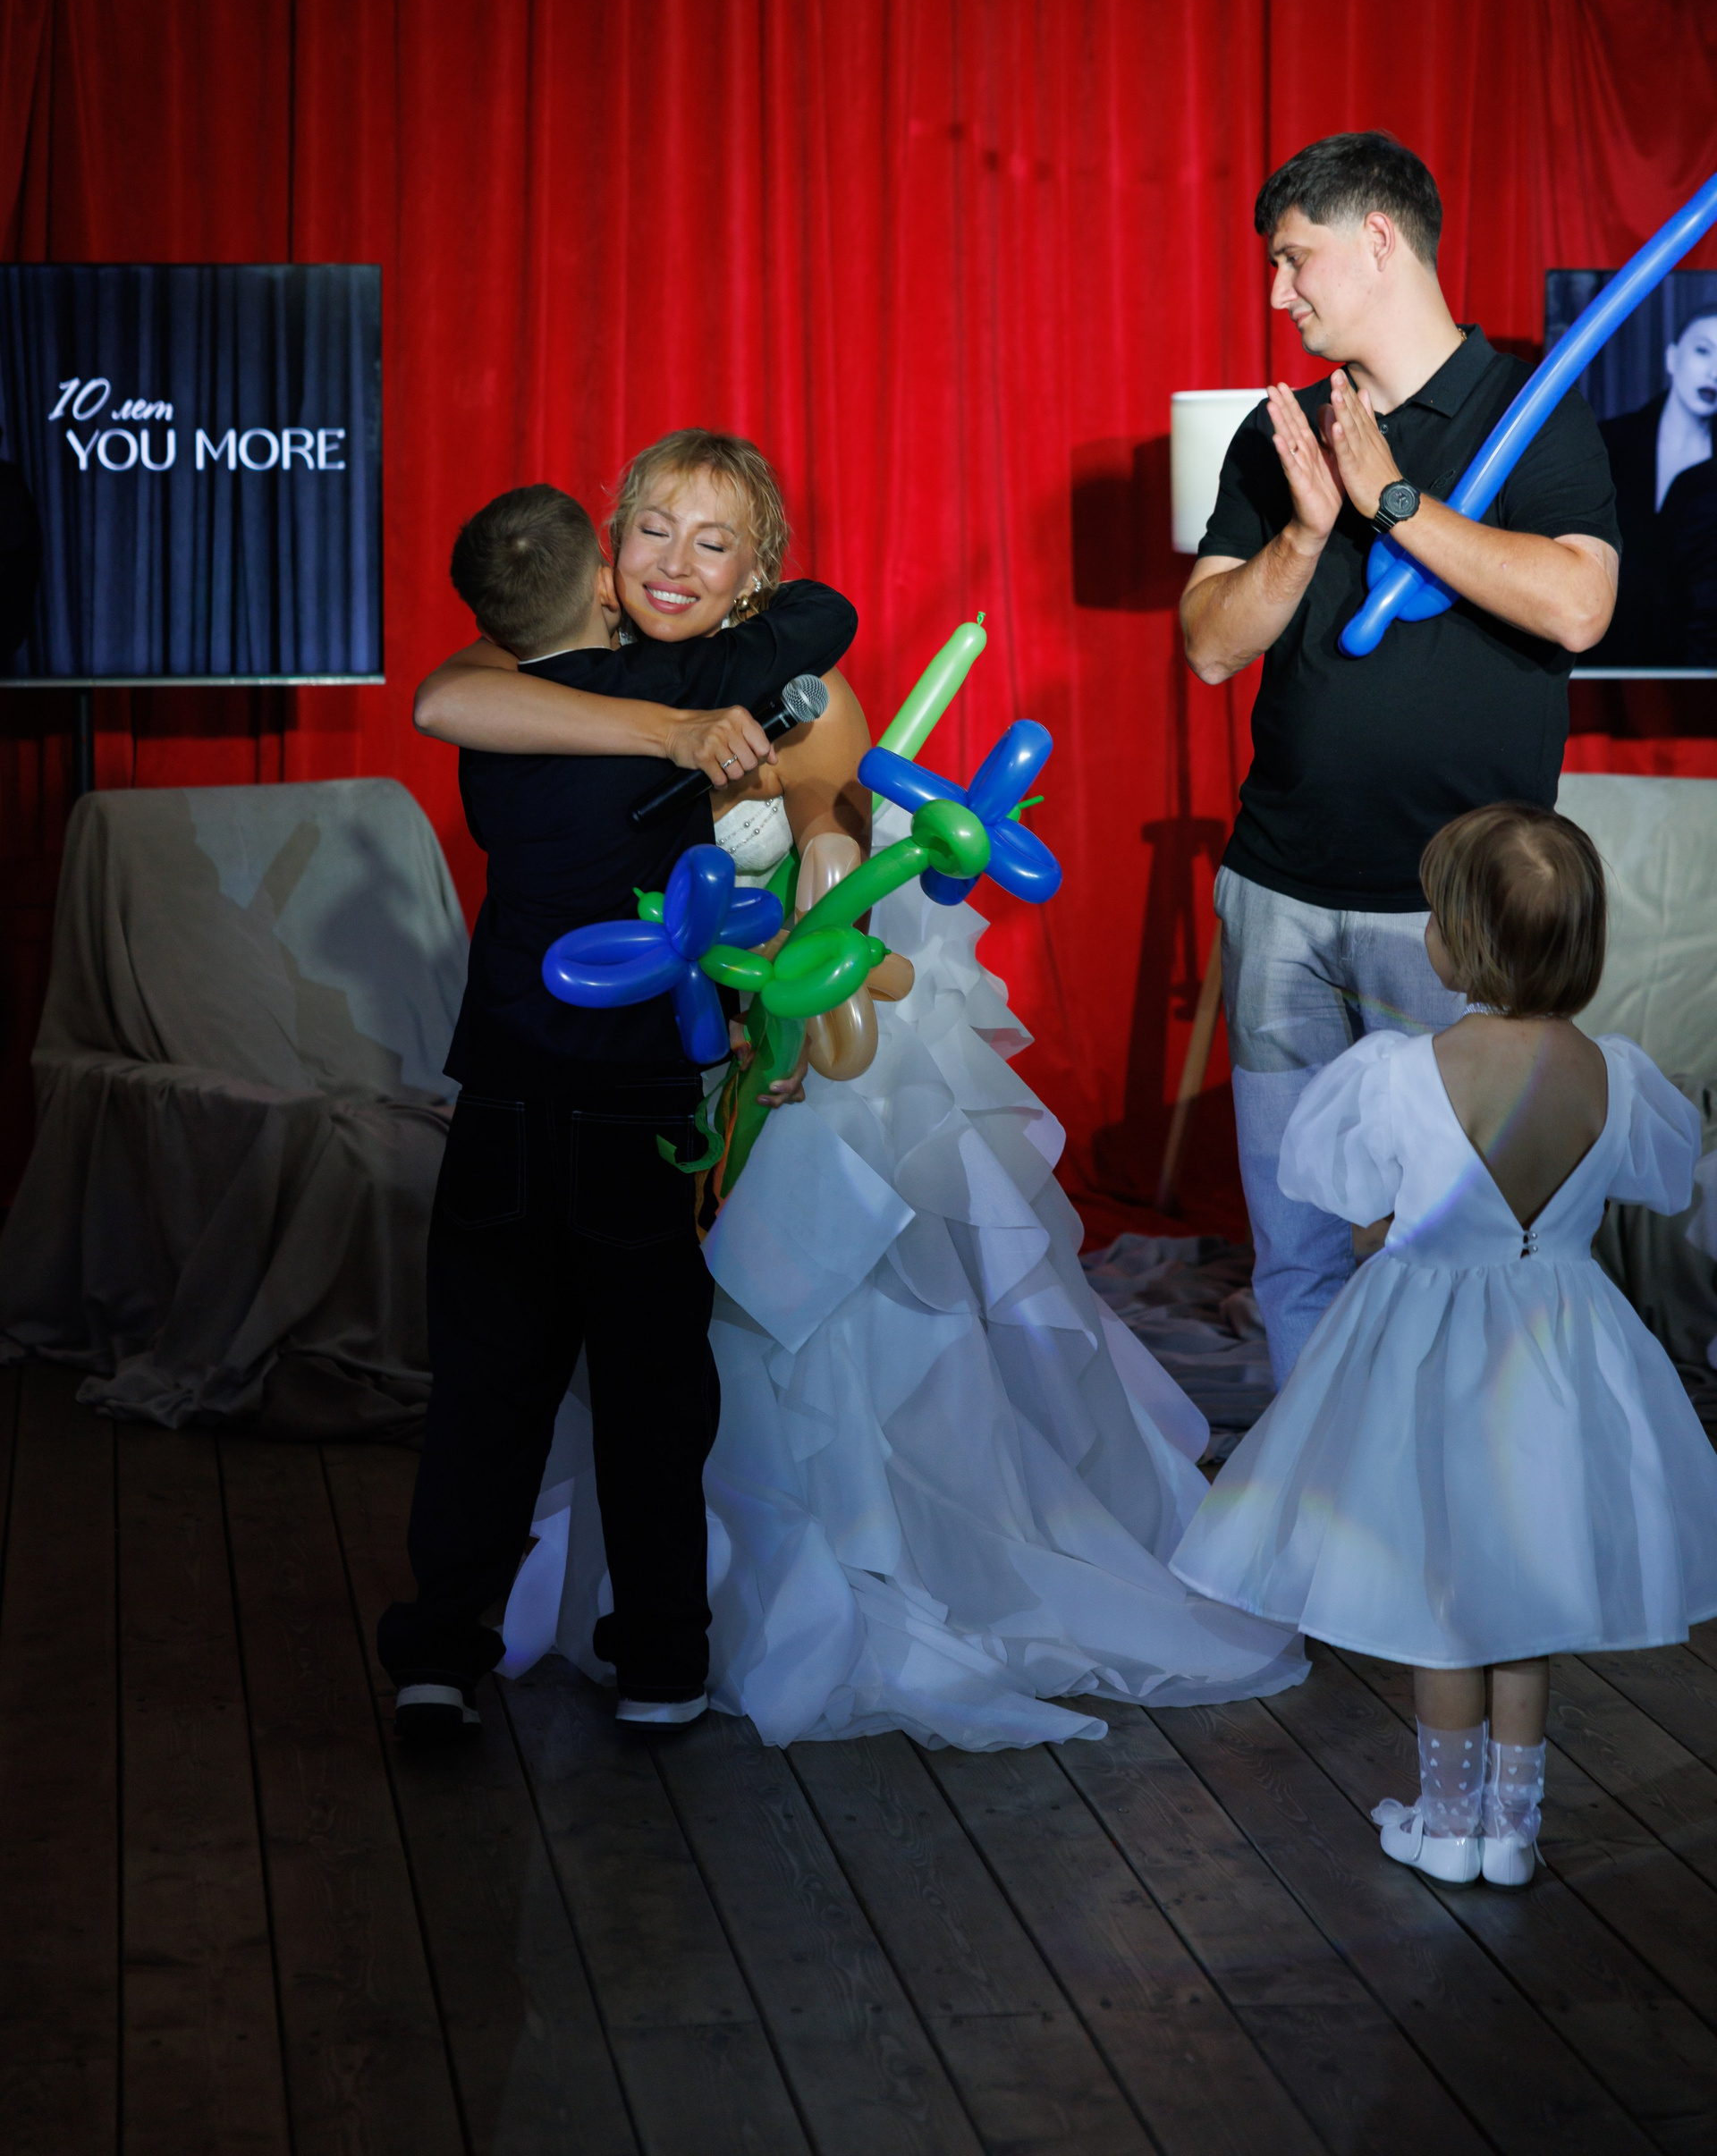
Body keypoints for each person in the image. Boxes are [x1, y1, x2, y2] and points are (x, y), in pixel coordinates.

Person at [422, 427, 1308, 1750]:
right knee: (547, 1373)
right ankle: (522, 1641)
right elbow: (444, 697)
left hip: (726, 1084)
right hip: (571, 1079)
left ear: (756, 569)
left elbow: (829, 867)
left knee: (688, 1381)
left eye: (713, 542)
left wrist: (792, 1016)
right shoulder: (548, 663)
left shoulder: (788, 689)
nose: (675, 562)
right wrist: (672, 732)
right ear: (608, 551)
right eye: (654, 529)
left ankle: (692, 1636)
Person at [377, 471, 858, 1740]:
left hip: (501, 1098)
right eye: (647, 536)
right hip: (633, 1103)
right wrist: (685, 710)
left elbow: (449, 695)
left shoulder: (502, 716)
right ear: (603, 576)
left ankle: (439, 1658)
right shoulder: (684, 685)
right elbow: (826, 613)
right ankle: (661, 1664)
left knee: (485, 1394)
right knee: (654, 1398)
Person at [1171, 802, 1717, 1888]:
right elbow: (1653, 1180)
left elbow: (1349, 1202)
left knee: (1443, 1599)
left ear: (1458, 942)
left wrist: (1396, 1229)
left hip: (1431, 1355)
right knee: (1523, 1598)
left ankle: (1448, 1819)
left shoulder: (1402, 1072)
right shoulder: (1612, 1074)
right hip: (1560, 1350)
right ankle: (1513, 1830)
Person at [1182, 131, 1621, 1382]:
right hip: (1278, 893)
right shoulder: (1280, 433)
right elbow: (1209, 646)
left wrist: (1393, 503)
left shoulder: (1533, 408)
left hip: (1453, 918)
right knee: (1297, 1243)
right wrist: (1305, 532)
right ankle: (1320, 1478)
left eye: (1295, 258)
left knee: (1448, 1242)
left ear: (1378, 239)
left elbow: (1578, 607)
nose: (1279, 292)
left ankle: (1443, 1475)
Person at [1597, 301, 1717, 667]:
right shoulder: (1607, 443)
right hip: (1596, 665)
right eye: (1703, 351)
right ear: (1672, 357)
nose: (1714, 372)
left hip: (1696, 671)